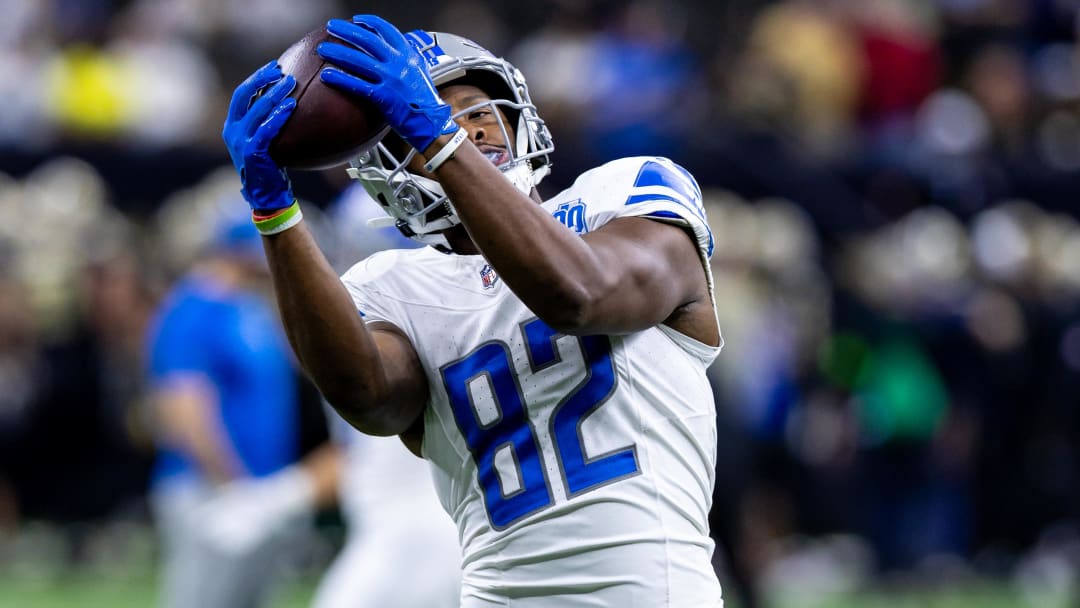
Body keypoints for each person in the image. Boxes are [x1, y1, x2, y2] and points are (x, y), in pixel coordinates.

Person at [222, 14, 723, 607]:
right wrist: (275, 211)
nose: (466, 129)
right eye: (421, 120)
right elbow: (369, 399)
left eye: (477, 111)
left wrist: (437, 138)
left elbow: (581, 295)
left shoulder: (623, 194)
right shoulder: (391, 285)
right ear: (388, 174)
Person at [144, 215, 341, 608]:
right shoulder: (192, 310)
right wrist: (229, 482)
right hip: (208, 488)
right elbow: (184, 407)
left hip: (261, 491)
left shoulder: (251, 308)